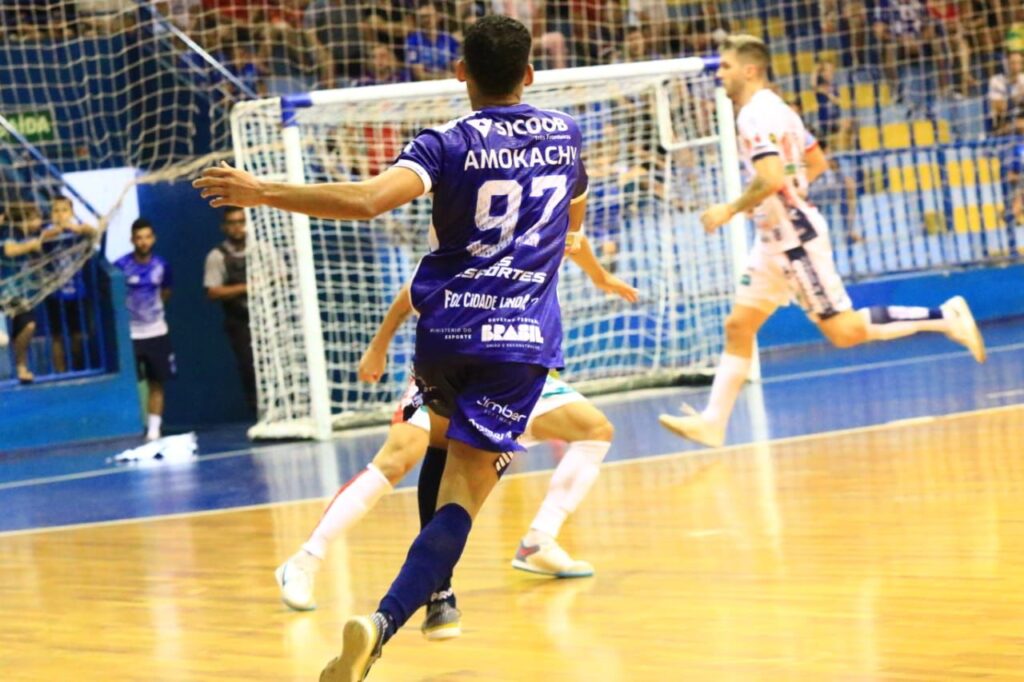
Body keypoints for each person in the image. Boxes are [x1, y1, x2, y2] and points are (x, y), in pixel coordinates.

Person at [194, 15, 587, 680]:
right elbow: (573, 217)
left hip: (442, 337)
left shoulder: (444, 143)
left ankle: (440, 598)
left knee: (436, 440)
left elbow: (368, 200)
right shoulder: (565, 135)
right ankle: (387, 618)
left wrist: (263, 190)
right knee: (463, 496)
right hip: (518, 341)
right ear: (529, 74)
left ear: (459, 72)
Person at [274, 236, 638, 629]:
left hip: (514, 372)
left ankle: (538, 542)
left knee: (595, 429)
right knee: (398, 457)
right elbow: (410, 293)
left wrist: (600, 277)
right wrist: (378, 346)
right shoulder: (474, 234)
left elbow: (575, 234)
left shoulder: (544, 214)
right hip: (448, 369)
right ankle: (304, 560)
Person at [658, 35, 986, 449]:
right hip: (773, 240)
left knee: (844, 332)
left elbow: (772, 178)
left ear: (750, 69)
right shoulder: (782, 110)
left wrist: (731, 208)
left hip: (793, 240)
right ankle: (713, 422)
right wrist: (785, 197)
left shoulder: (753, 115)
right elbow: (816, 162)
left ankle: (945, 316)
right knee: (739, 325)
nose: (717, 74)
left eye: (724, 66)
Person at [113, 218, 175, 442]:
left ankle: (154, 430)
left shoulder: (162, 265)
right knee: (130, 379)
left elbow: (166, 293)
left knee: (156, 381)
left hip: (157, 332)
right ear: (132, 240)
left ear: (153, 239)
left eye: (147, 237)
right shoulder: (120, 266)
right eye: (139, 238)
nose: (143, 242)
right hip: (130, 334)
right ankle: (129, 426)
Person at [204, 206, 257, 413]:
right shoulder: (217, 256)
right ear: (224, 227)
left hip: (269, 321)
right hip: (239, 320)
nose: (237, 228)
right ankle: (258, 410)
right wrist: (246, 287)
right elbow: (212, 292)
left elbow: (282, 277)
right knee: (248, 366)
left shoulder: (261, 249)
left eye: (241, 222)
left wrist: (266, 283)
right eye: (232, 223)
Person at [43, 196, 98, 374]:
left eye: (64, 210)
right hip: (54, 293)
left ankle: (78, 367)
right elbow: (43, 238)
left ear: (72, 213)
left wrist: (76, 228)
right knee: (56, 336)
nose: (60, 214)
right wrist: (59, 229)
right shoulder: (49, 231)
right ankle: (61, 372)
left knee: (77, 334)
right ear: (51, 214)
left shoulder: (77, 231)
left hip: (77, 292)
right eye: (56, 210)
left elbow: (93, 231)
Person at [1, 203, 49, 383]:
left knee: (28, 326)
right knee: (2, 338)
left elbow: (49, 234)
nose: (39, 221)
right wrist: (31, 246)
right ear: (24, 220)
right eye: (35, 218)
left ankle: (21, 367)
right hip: (2, 290)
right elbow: (10, 250)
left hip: (17, 293)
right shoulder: (10, 233)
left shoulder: (32, 235)